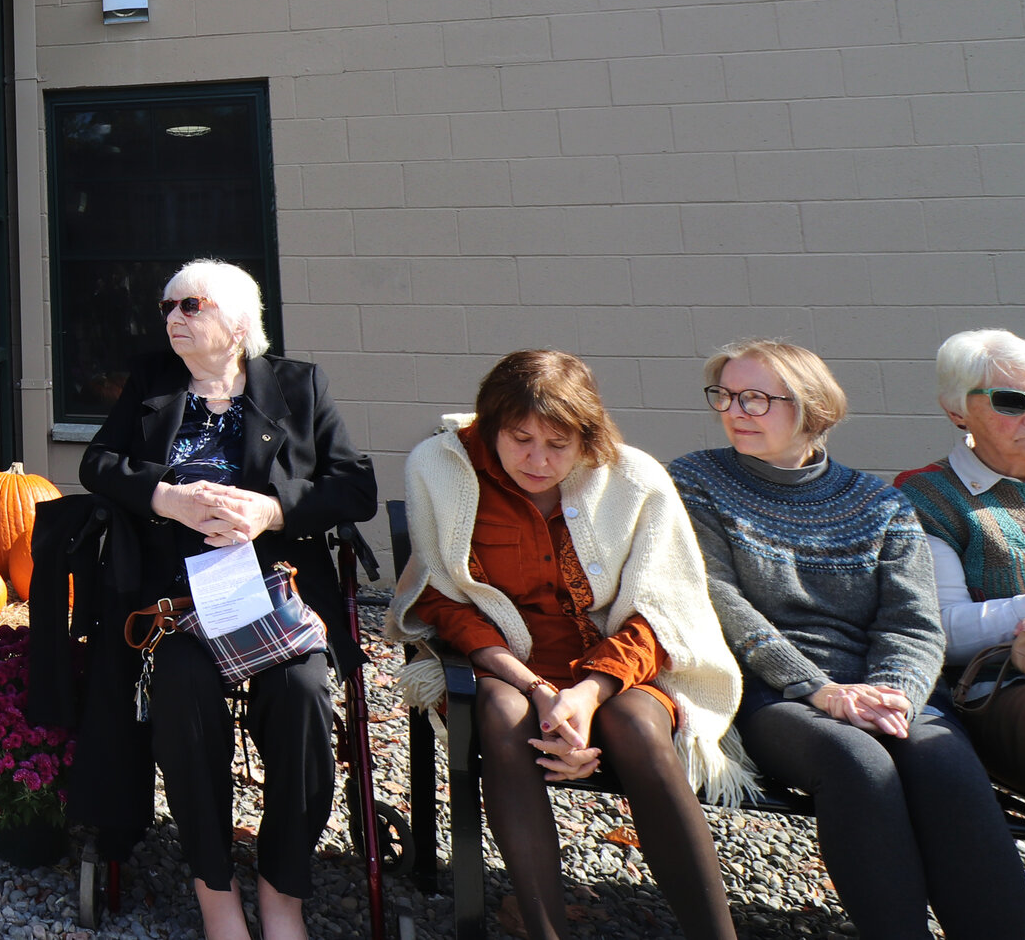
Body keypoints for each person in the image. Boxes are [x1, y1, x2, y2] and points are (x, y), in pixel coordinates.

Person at [670, 339, 1025, 940]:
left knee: (942, 761)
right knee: (857, 761)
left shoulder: (878, 503)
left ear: (811, 407)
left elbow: (913, 622)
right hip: (771, 691)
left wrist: (897, 695)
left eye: (756, 398)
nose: (735, 410)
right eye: (726, 396)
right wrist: (819, 689)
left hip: (882, 685)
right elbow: (718, 601)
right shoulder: (697, 480)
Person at [388, 351, 742, 940]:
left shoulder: (633, 477)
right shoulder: (441, 467)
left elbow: (664, 609)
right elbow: (440, 599)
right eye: (520, 438)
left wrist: (588, 693)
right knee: (502, 712)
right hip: (509, 665)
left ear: (588, 438)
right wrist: (535, 687)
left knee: (636, 726)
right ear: (488, 425)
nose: (538, 459)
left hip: (615, 664)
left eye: (559, 443)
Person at [78, 259, 375, 940]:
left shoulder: (299, 386)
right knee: (181, 690)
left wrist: (272, 511)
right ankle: (216, 890)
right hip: (176, 608)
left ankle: (281, 890)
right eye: (167, 306)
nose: (173, 317)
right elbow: (97, 463)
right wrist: (167, 495)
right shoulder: (153, 381)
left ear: (238, 322)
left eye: (191, 305)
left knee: (302, 691)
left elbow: (354, 487)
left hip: (275, 600)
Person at [898, 328, 1025, 796]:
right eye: (1012, 401)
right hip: (1000, 689)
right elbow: (942, 631)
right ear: (957, 412)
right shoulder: (928, 496)